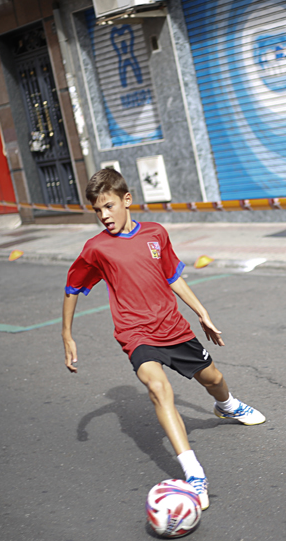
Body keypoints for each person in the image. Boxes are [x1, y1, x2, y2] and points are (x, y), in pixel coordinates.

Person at [61, 168, 266, 509]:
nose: (104, 216)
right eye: (97, 210)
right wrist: (66, 334)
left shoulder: (156, 233)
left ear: (127, 200)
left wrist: (202, 313)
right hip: (135, 332)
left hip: (173, 327)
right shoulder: (96, 248)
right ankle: (194, 473)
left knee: (213, 379)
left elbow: (173, 276)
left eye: (109, 206)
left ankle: (227, 406)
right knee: (159, 389)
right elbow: (72, 288)